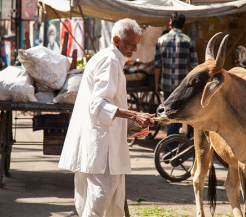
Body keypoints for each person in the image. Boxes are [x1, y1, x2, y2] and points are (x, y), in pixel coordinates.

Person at [58, 18, 155, 217]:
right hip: (102, 146)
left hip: (104, 141)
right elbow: (98, 104)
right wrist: (134, 115)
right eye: (130, 44)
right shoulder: (109, 61)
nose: (134, 49)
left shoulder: (111, 59)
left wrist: (128, 123)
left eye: (136, 44)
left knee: (107, 197)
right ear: (116, 40)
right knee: (101, 196)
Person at [154, 12, 198, 136]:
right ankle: (172, 147)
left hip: (166, 84)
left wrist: (156, 83)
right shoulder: (188, 41)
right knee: (178, 115)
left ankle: (170, 147)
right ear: (183, 26)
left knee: (169, 115)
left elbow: (157, 64)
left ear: (170, 24)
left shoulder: (161, 40)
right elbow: (195, 65)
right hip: (182, 86)